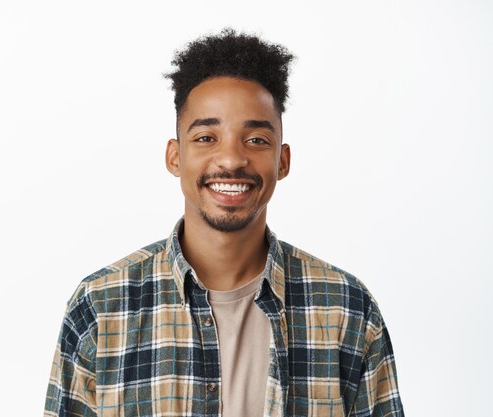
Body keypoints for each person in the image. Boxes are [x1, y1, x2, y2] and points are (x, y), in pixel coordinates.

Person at [43, 28, 404, 417]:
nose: (231, 159)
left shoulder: (348, 309)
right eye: (206, 137)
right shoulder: (100, 308)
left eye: (256, 140)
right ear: (174, 156)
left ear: (282, 161)